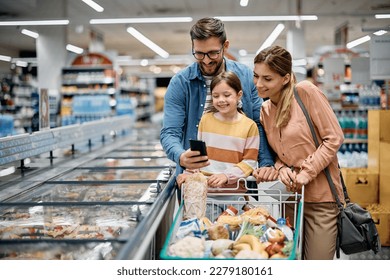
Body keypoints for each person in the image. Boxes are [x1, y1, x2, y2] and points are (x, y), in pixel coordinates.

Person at [252, 45, 345, 260]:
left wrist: (306, 172)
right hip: (290, 200)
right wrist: (281, 168)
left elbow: (334, 137)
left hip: (321, 200)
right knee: (288, 260)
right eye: (256, 76)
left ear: (285, 78)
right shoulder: (265, 111)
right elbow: (280, 154)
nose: (258, 84)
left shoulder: (305, 92)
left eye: (267, 78)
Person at [160, 17, 275, 187]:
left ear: (225, 46)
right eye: (199, 53)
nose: (206, 60)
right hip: (197, 182)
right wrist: (181, 156)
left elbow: (259, 124)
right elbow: (170, 132)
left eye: (213, 53)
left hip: (240, 180)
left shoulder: (246, 77)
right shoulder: (181, 83)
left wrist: (266, 163)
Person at [177, 71, 259, 192]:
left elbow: (249, 162)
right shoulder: (206, 120)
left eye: (226, 95)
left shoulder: (249, 126)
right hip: (205, 192)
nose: (221, 100)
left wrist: (226, 176)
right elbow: (198, 154)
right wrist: (188, 173)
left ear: (239, 95)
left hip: (234, 194)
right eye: (216, 96)